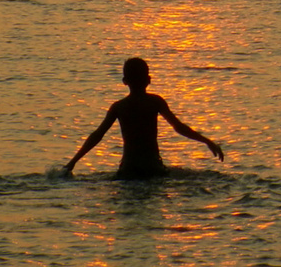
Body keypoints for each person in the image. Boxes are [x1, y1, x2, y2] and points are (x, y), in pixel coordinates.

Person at [64, 57, 224, 178]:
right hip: (152, 167)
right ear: (148, 80)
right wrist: (207, 141)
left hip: (128, 169)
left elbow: (97, 135)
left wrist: (72, 162)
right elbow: (179, 127)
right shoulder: (155, 102)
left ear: (124, 81)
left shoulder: (119, 107)